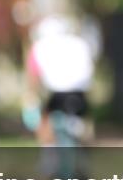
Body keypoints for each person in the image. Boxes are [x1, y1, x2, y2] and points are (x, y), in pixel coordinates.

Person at [25, 15, 95, 149]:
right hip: (79, 94)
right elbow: (89, 71)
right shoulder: (80, 43)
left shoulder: (40, 46)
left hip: (57, 95)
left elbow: (33, 75)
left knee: (45, 123)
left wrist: (32, 96)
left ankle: (49, 152)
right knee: (83, 125)